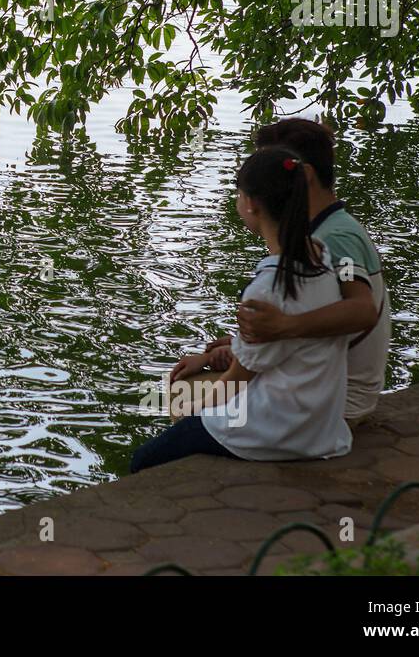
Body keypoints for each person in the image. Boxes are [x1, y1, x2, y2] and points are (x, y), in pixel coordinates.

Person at [129, 147, 352, 471]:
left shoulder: (265, 290)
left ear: (250, 204)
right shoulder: (323, 258)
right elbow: (285, 348)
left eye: (239, 195)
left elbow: (236, 381)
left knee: (145, 459)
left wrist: (192, 413)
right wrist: (223, 352)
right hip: (322, 429)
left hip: (273, 432)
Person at [232, 118, 392, 425]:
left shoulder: (337, 238)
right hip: (322, 386)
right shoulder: (318, 231)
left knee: (181, 395)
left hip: (339, 398)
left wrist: (283, 327)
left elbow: (361, 310)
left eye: (273, 171)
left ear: (304, 176)